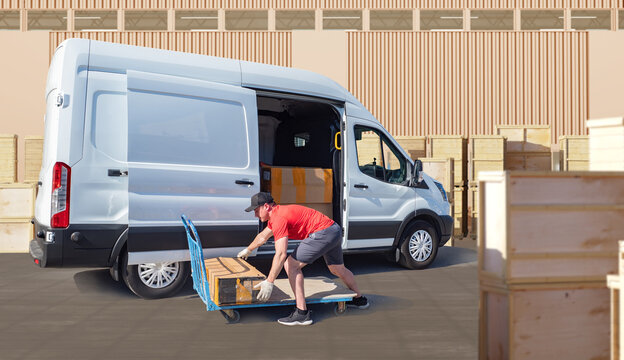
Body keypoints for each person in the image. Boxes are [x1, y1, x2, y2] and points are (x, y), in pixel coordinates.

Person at [237, 192, 369, 326]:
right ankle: (359, 300)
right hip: (333, 230)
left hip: (322, 232)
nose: (255, 215)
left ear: (266, 207)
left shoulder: (278, 218)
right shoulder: (277, 214)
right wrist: (248, 249)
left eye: (256, 210)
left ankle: (301, 313)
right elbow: (262, 236)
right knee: (337, 268)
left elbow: (281, 254)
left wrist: (269, 281)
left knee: (290, 265)